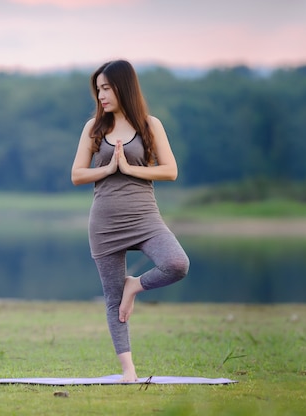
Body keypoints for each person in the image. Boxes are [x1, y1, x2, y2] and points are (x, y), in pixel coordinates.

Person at [71, 60, 190, 382]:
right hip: (105, 222)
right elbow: (77, 174)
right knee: (113, 301)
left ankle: (133, 285)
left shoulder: (150, 125)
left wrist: (131, 169)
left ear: (124, 87)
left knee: (177, 263)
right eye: (98, 90)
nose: (101, 96)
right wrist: (108, 169)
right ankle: (128, 371)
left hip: (145, 217)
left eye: (106, 88)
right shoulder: (94, 128)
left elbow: (170, 170)